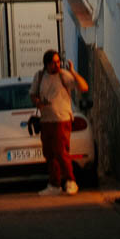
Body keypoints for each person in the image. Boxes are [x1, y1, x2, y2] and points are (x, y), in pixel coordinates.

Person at [30, 49, 89, 195]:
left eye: (58, 62)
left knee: (61, 151)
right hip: (46, 119)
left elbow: (84, 87)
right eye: (52, 63)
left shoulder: (64, 75)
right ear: (46, 64)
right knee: (49, 153)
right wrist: (37, 102)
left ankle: (71, 181)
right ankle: (54, 184)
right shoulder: (39, 76)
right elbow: (33, 94)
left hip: (61, 119)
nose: (56, 65)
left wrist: (73, 72)